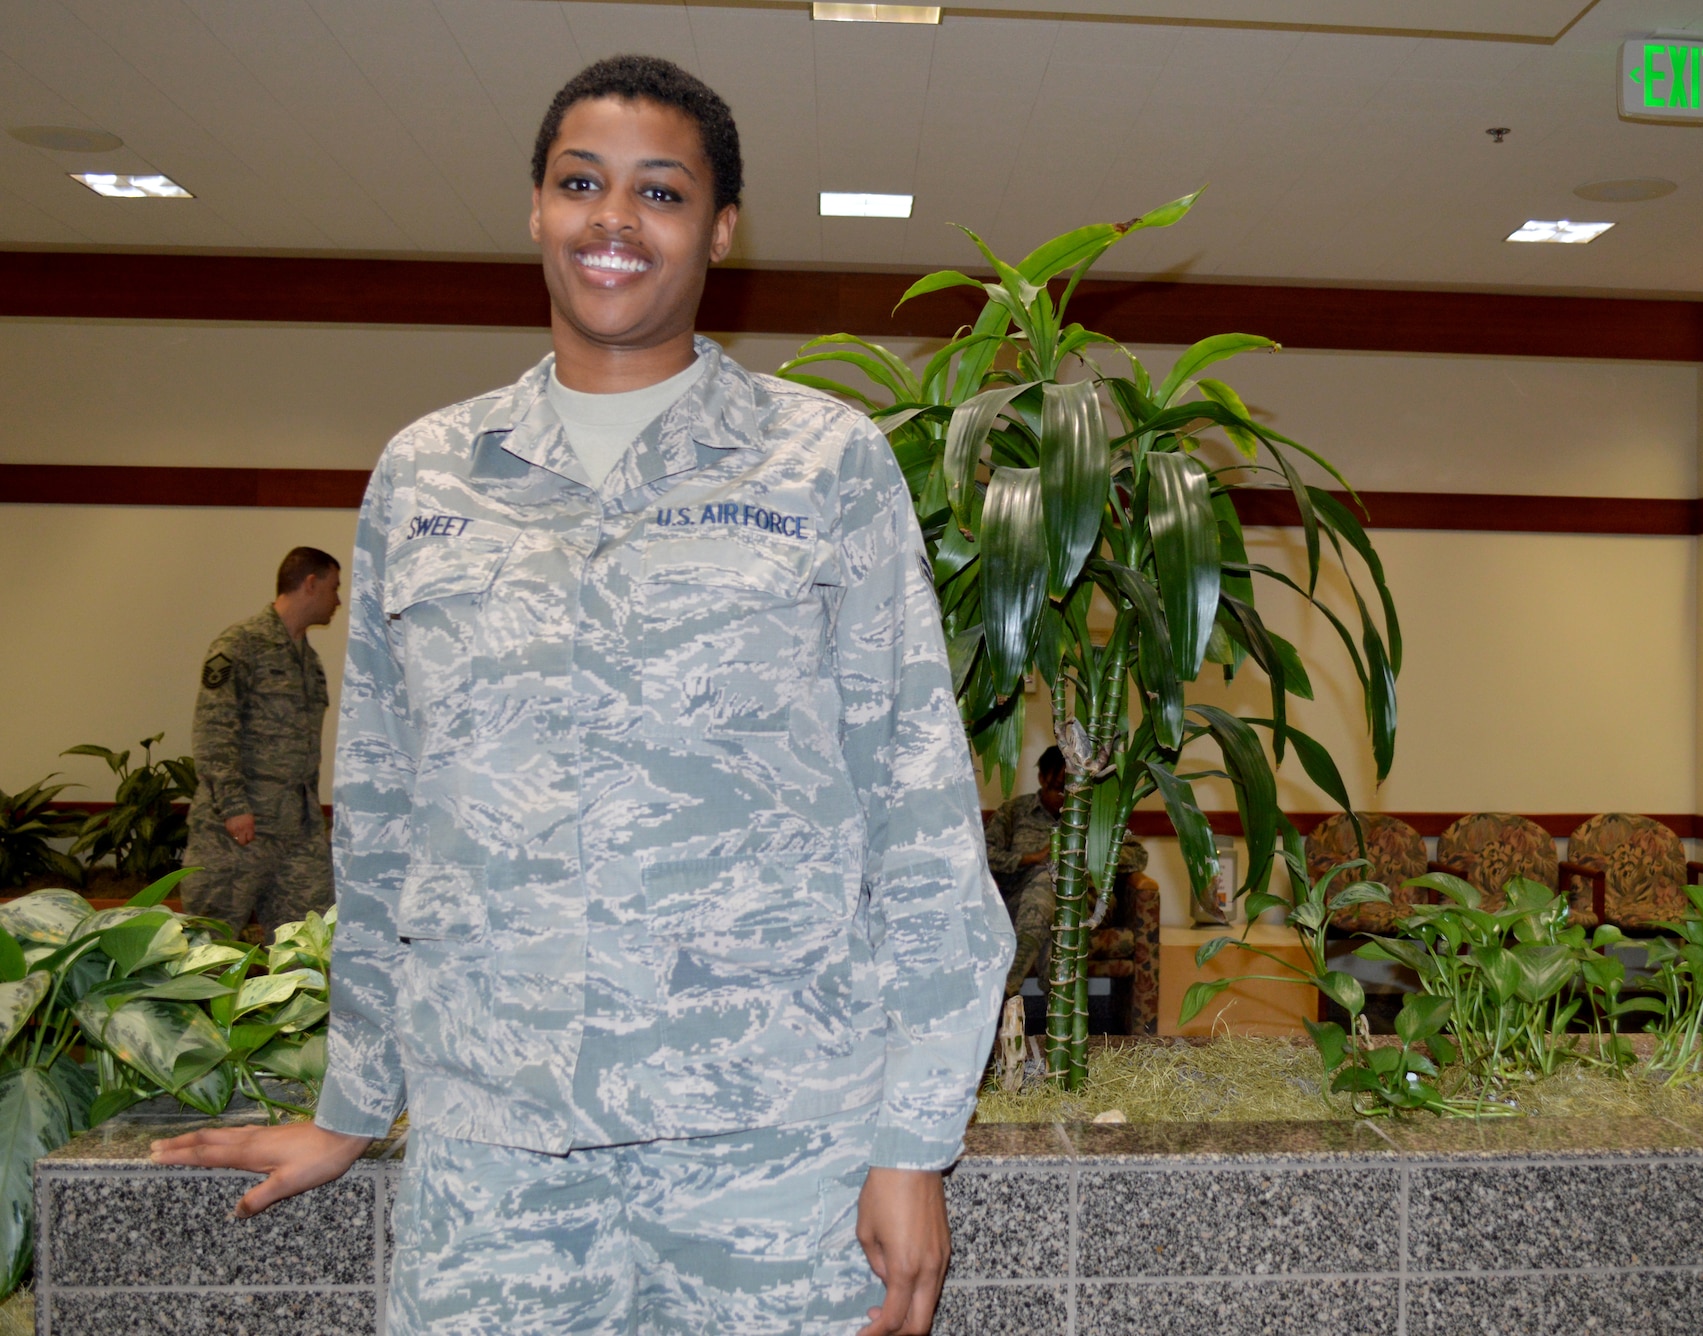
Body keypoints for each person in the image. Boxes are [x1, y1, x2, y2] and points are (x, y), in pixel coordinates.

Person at [152, 55, 1012, 1336]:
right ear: (537, 211)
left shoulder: (823, 464)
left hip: (770, 1152)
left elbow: (918, 810)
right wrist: (349, 1103)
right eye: (580, 183)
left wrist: (911, 1139)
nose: (614, 218)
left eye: (659, 190)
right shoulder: (427, 475)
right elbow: (382, 821)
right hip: (494, 1151)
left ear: (719, 228)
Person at [180, 546, 341, 935]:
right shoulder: (240, 645)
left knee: (308, 947)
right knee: (209, 949)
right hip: (237, 831)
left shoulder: (309, 661)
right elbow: (214, 729)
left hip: (296, 832)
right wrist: (234, 805)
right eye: (334, 588)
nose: (338, 600)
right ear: (310, 583)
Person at [985, 745, 1146, 999]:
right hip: (1022, 901)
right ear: (1042, 778)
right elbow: (984, 856)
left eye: (1072, 788)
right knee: (1045, 883)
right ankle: (1060, 1022)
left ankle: (1007, 987)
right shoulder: (1014, 813)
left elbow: (1137, 856)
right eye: (1060, 788)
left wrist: (1087, 853)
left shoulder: (1094, 815)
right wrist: (1031, 859)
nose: (1065, 797)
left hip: (1087, 903)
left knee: (1057, 886)